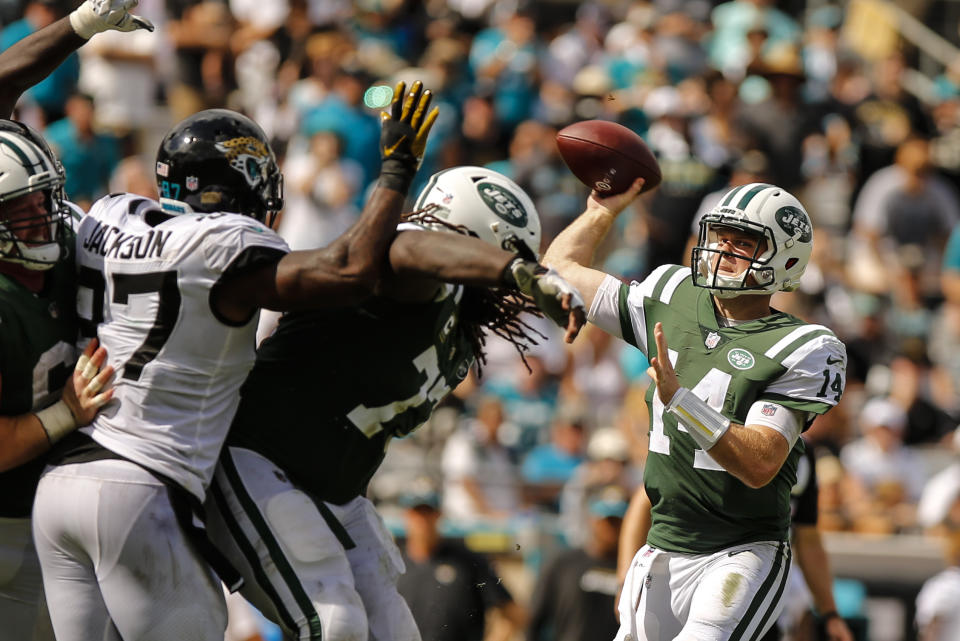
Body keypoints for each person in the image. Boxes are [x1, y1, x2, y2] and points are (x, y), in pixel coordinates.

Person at [31, 78, 439, 641]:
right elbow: (350, 273)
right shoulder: (223, 246)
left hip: (59, 486)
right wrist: (396, 171)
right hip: (140, 483)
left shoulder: (109, 213)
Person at [204, 164, 586, 641]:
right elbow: (409, 249)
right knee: (334, 624)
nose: (507, 288)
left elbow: (558, 271)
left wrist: (602, 210)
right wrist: (516, 271)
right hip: (257, 459)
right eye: (507, 258)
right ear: (470, 240)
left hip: (335, 494)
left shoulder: (459, 324)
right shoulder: (408, 265)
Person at [543, 180, 847, 640]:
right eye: (719, 236)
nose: (722, 250)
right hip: (662, 546)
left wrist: (682, 401)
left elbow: (760, 462)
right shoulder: (672, 292)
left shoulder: (802, 346)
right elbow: (557, 269)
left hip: (740, 552)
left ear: (784, 259)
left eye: (742, 242)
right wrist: (602, 211)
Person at [0, 2, 151, 638]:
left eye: (45, 199)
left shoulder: (65, 257)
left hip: (54, 507)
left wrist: (80, 26)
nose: (46, 216)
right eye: (25, 210)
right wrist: (64, 414)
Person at [396, 483, 526, 641]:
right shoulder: (393, 564)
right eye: (418, 513)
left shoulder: (468, 560)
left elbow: (513, 613)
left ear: (439, 514)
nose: (423, 521)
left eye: (428, 512)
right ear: (406, 515)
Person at [527, 486, 628, 641]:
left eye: (618, 521)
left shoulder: (634, 569)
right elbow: (534, 620)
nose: (612, 528)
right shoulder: (563, 564)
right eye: (607, 520)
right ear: (592, 519)